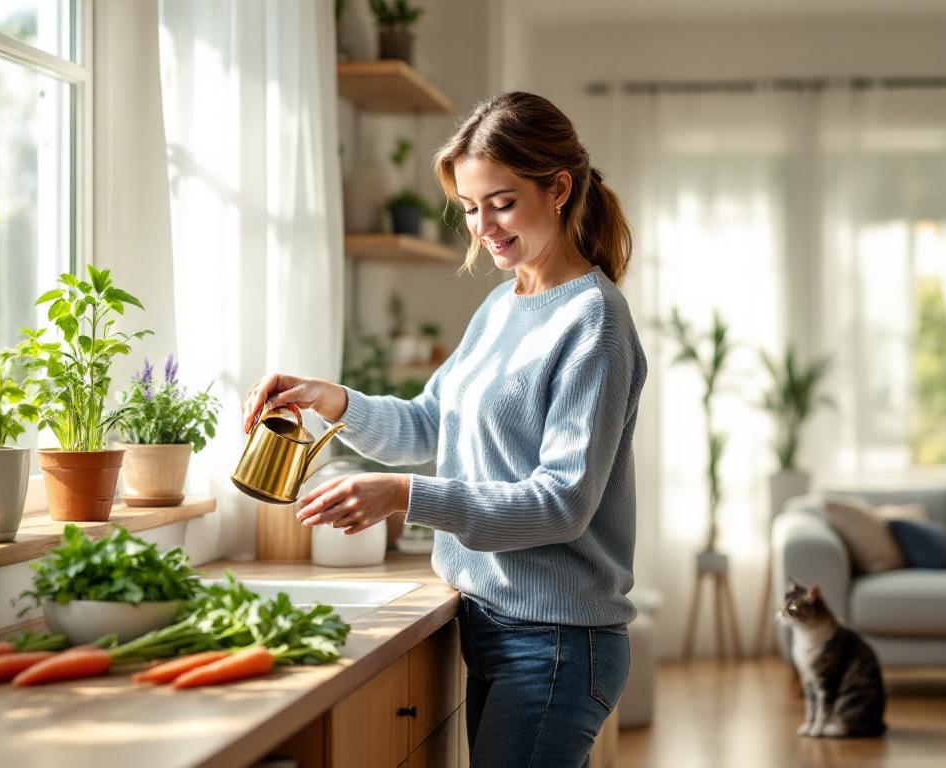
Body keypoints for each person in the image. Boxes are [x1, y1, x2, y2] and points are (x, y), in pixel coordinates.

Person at [241, 91, 647, 768]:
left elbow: (562, 502)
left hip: (556, 642)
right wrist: (332, 399)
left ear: (559, 188)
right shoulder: (502, 303)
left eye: (502, 202)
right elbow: (431, 424)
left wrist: (407, 496)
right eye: (468, 208)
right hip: (491, 623)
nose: (483, 225)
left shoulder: (595, 321)